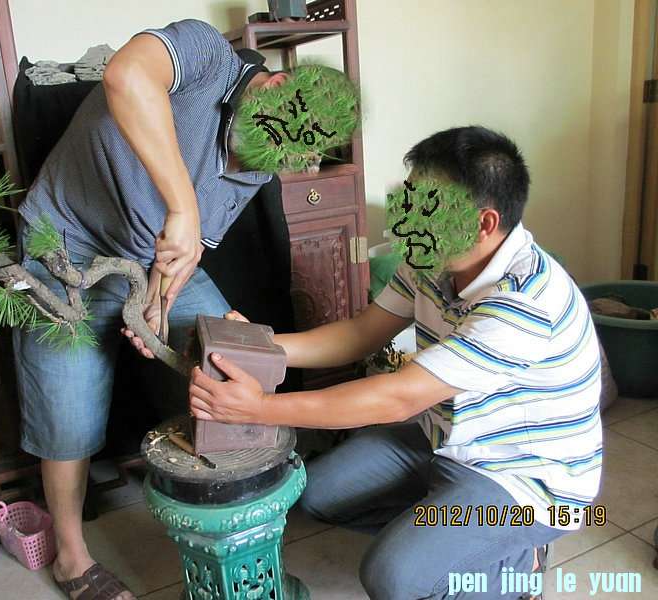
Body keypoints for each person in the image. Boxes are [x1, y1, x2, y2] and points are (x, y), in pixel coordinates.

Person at [182, 126, 603, 600]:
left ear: (484, 223)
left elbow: (396, 398)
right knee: (317, 494)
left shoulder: (524, 303)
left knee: (393, 577)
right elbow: (361, 333)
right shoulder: (431, 255)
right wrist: (261, 344)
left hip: (528, 482)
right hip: (446, 437)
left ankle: (518, 560)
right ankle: (447, 528)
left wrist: (258, 408)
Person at [13, 19, 289, 600]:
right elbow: (127, 75)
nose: (254, 162)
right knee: (68, 412)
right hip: (67, 250)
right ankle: (71, 557)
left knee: (229, 353)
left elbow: (186, 249)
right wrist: (182, 206)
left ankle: (233, 502)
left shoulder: (263, 161)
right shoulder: (206, 55)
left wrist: (158, 305)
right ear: (276, 85)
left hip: (149, 256)